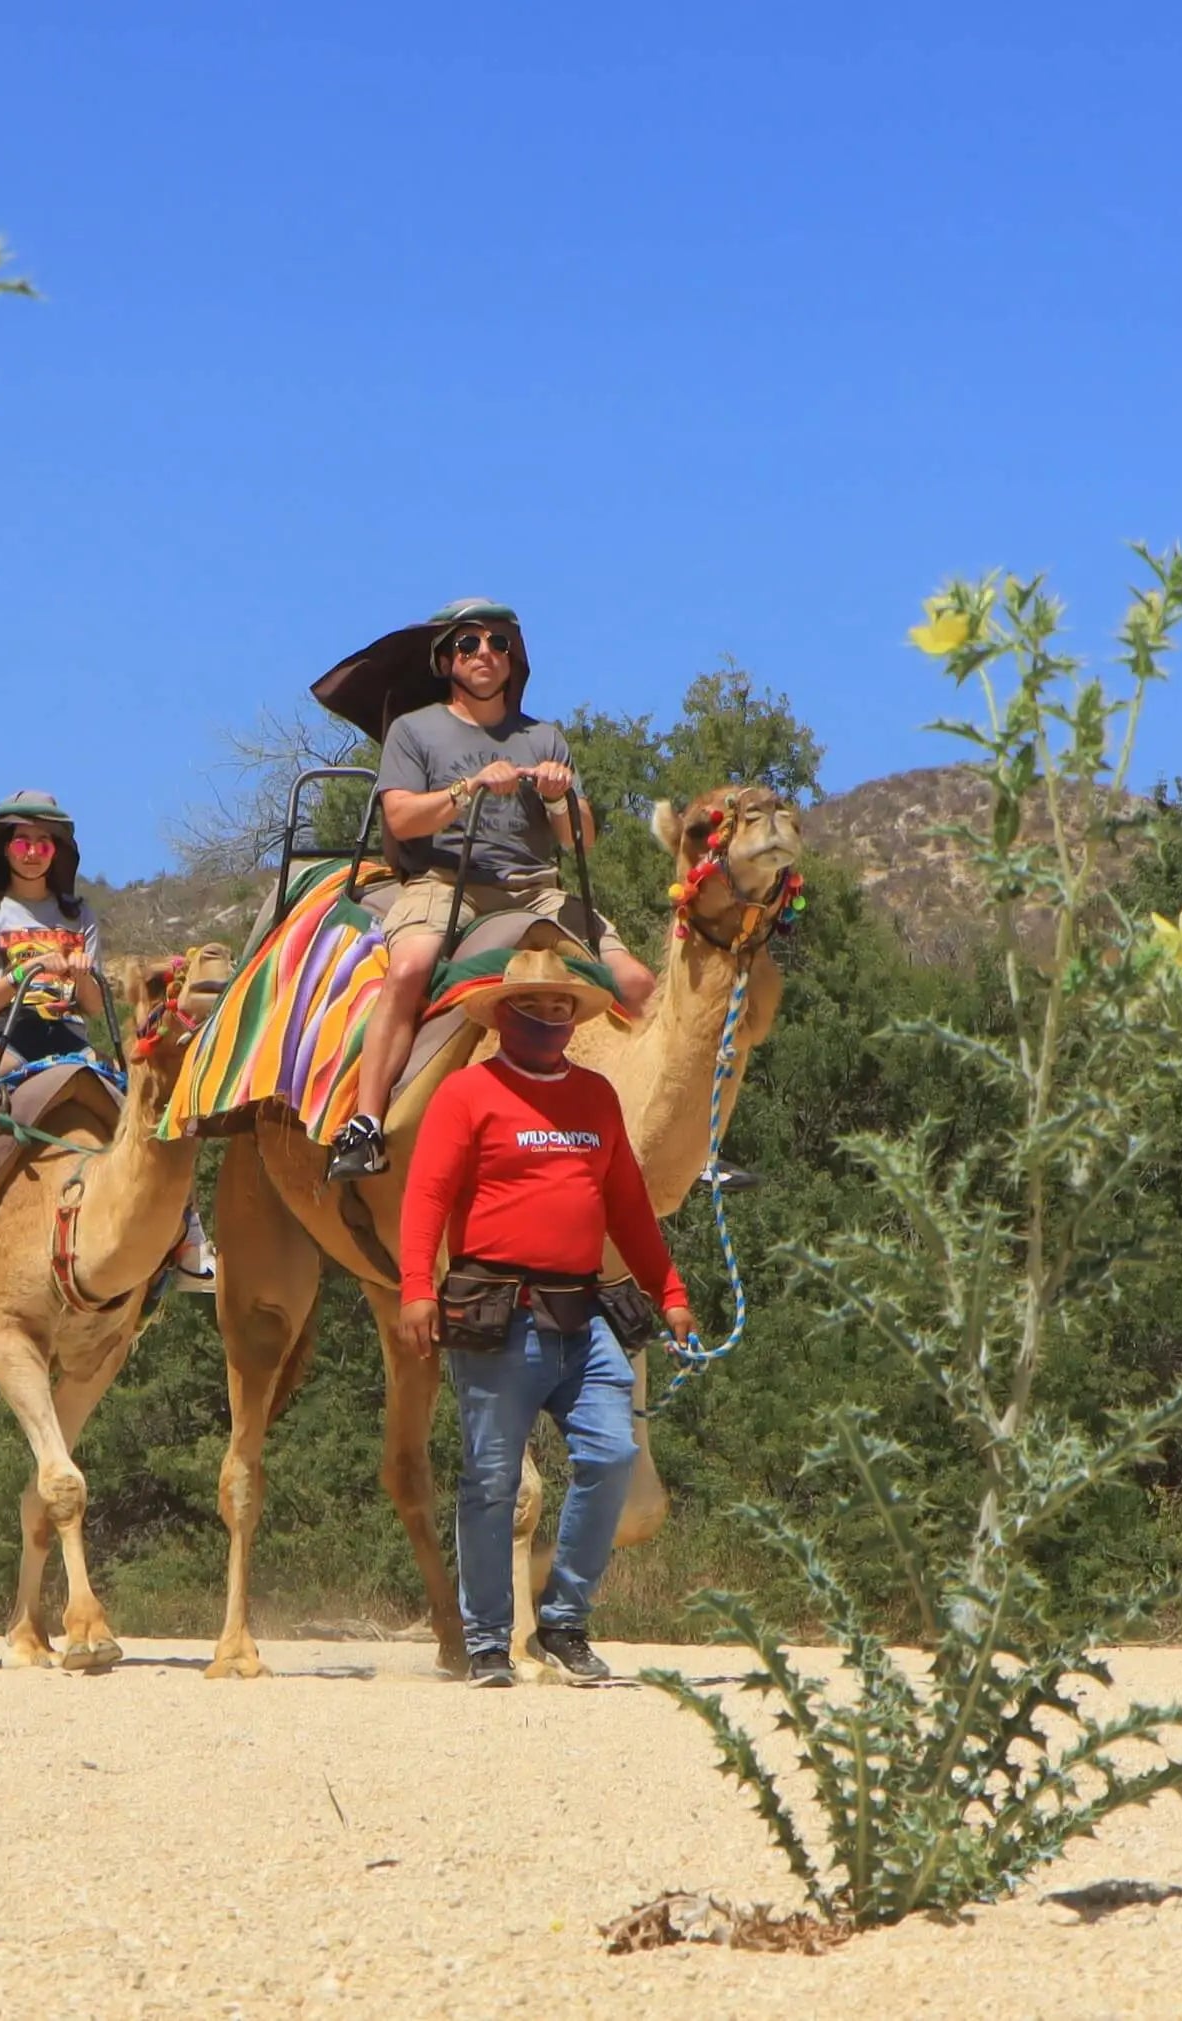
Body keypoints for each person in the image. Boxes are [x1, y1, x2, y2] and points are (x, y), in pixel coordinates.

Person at [396, 948, 696, 1687]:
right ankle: (489, 1640)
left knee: (612, 1455)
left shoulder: (595, 1098)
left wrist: (671, 1291)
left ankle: (563, 1620)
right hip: (498, 1313)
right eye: (537, 1005)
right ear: (505, 1014)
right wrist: (414, 1285)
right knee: (492, 1478)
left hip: (583, 1312)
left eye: (563, 1006)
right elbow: (426, 1195)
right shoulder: (467, 1093)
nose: (552, 1017)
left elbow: (626, 1204)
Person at [324, 600, 657, 1181]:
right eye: (468, 644)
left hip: (539, 891)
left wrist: (558, 796)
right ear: (445, 660)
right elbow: (401, 820)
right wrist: (468, 788)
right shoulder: (414, 731)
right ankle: (366, 1124)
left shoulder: (543, 737)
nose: (484, 653)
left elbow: (582, 837)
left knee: (639, 984)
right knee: (406, 972)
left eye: (498, 643)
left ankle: (684, 1139)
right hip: (447, 885)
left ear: (514, 658)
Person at [0, 790, 214, 1289]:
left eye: (44, 843)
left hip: (71, 1041)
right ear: (6, 849)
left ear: (57, 853)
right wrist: (28, 969)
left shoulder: (78, 916)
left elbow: (93, 1007)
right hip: (4, 1040)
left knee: (153, 1116)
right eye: (23, 841)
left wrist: (82, 974)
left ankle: (191, 1242)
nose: (32, 852)